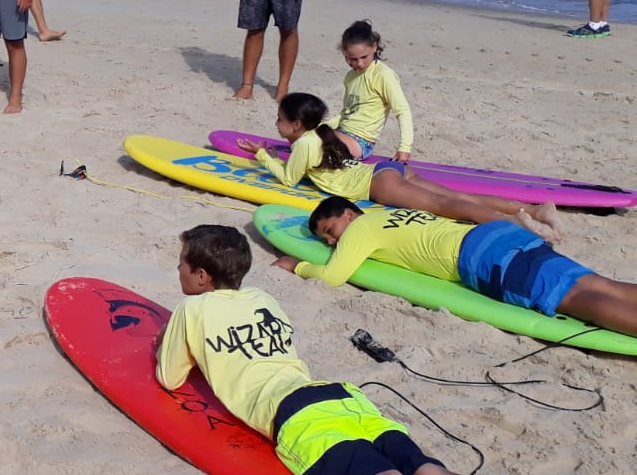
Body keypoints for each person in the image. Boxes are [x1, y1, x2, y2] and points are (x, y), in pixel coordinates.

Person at [157, 223, 593, 475]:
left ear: (200, 277)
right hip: (341, 398)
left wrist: (169, 341)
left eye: (180, 264)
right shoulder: (263, 299)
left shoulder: (190, 312)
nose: (176, 269)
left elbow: (169, 376)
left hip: (296, 417)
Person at [284, 195, 637, 341]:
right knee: (596, 283)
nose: (331, 243)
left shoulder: (360, 227)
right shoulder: (385, 213)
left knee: (572, 297)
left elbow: (332, 277)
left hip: (480, 257)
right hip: (495, 234)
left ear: (348, 214)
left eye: (330, 233)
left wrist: (298, 265)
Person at [236, 92, 559, 239]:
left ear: (295, 124)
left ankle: (515, 228)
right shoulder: (324, 131)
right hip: (386, 171)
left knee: (449, 206)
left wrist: (263, 155)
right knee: (457, 197)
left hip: (378, 185)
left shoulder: (304, 144)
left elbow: (288, 179)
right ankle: (533, 210)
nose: (275, 125)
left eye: (279, 121)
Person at [329, 19, 413, 161]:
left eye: (364, 57)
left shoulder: (383, 75)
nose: (359, 63)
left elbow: (402, 110)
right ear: (344, 52)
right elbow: (346, 113)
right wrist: (320, 127)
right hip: (343, 132)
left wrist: (404, 148)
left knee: (313, 146)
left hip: (361, 142)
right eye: (353, 59)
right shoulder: (350, 76)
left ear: (374, 47)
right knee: (305, 137)